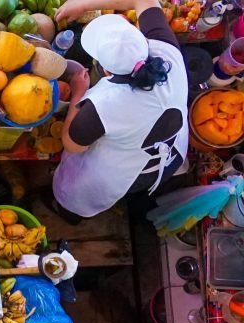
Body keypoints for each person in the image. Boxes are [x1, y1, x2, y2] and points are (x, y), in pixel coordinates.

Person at [52, 0, 188, 219]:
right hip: (173, 150)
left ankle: (70, 215)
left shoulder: (107, 106)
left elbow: (72, 144)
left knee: (76, 196)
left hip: (131, 171)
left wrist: (79, 91)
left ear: (105, 71)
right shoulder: (167, 51)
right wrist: (83, 5)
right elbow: (145, 1)